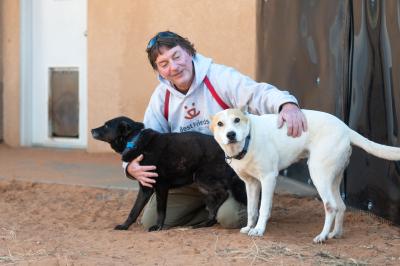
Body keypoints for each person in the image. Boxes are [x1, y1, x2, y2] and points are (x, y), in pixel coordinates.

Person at [124, 31, 307, 229]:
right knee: (151, 221)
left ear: (189, 52)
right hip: (190, 176)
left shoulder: (219, 77)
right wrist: (129, 167)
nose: (174, 67)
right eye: (164, 64)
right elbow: (146, 140)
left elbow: (257, 94)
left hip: (231, 171)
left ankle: (240, 205)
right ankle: (211, 209)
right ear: (158, 71)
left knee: (232, 218)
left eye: (176, 56)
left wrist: (286, 104)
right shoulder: (161, 97)